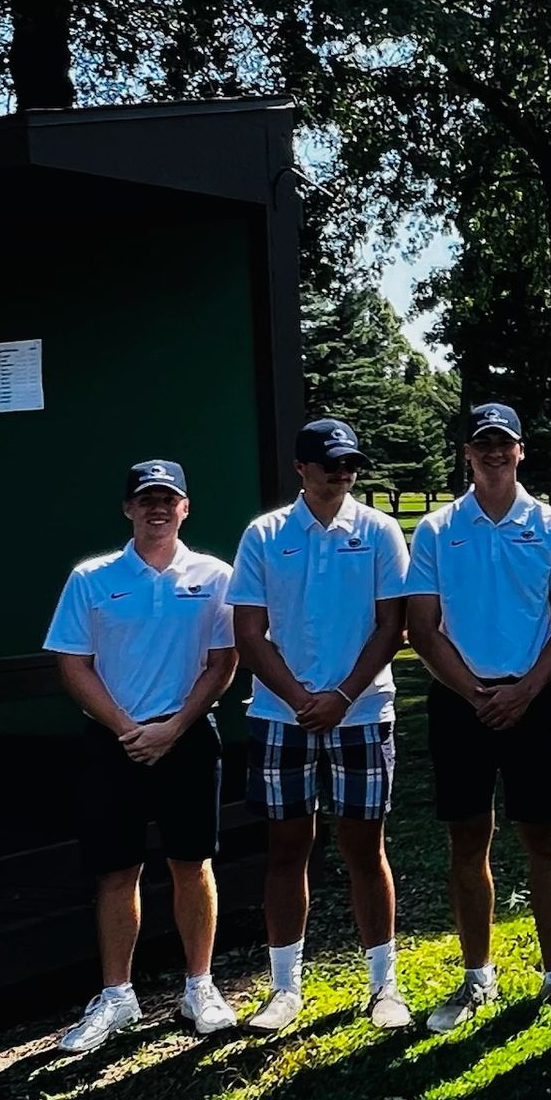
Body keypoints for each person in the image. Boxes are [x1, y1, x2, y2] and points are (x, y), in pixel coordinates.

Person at [405, 403, 551, 1032]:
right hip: (460, 702)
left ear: (520, 451)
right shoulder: (436, 530)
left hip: (533, 700)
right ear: (468, 453)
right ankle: (475, 975)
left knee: (545, 839)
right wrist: (474, 692)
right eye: (481, 444)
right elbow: (423, 629)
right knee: (468, 840)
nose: (492, 453)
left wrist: (525, 690)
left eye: (503, 444)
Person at [43, 460, 240, 1052]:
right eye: (146, 499)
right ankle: (116, 995)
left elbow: (223, 661)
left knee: (192, 863)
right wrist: (129, 728)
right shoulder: (91, 578)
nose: (158, 508)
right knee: (117, 869)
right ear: (128, 509)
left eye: (169, 499)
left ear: (185, 508)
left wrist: (174, 726)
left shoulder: (215, 575)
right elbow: (72, 663)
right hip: (114, 741)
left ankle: (198, 986)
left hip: (187, 738)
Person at [230, 419, 411, 1032]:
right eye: (329, 463)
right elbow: (249, 635)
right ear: (302, 469)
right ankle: (285, 989)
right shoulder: (264, 534)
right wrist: (302, 698)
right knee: (288, 849)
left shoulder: (381, 531)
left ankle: (384, 984)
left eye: (350, 463)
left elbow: (392, 626)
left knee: (365, 847)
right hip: (281, 716)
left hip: (361, 712)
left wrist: (339, 695)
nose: (342, 472)